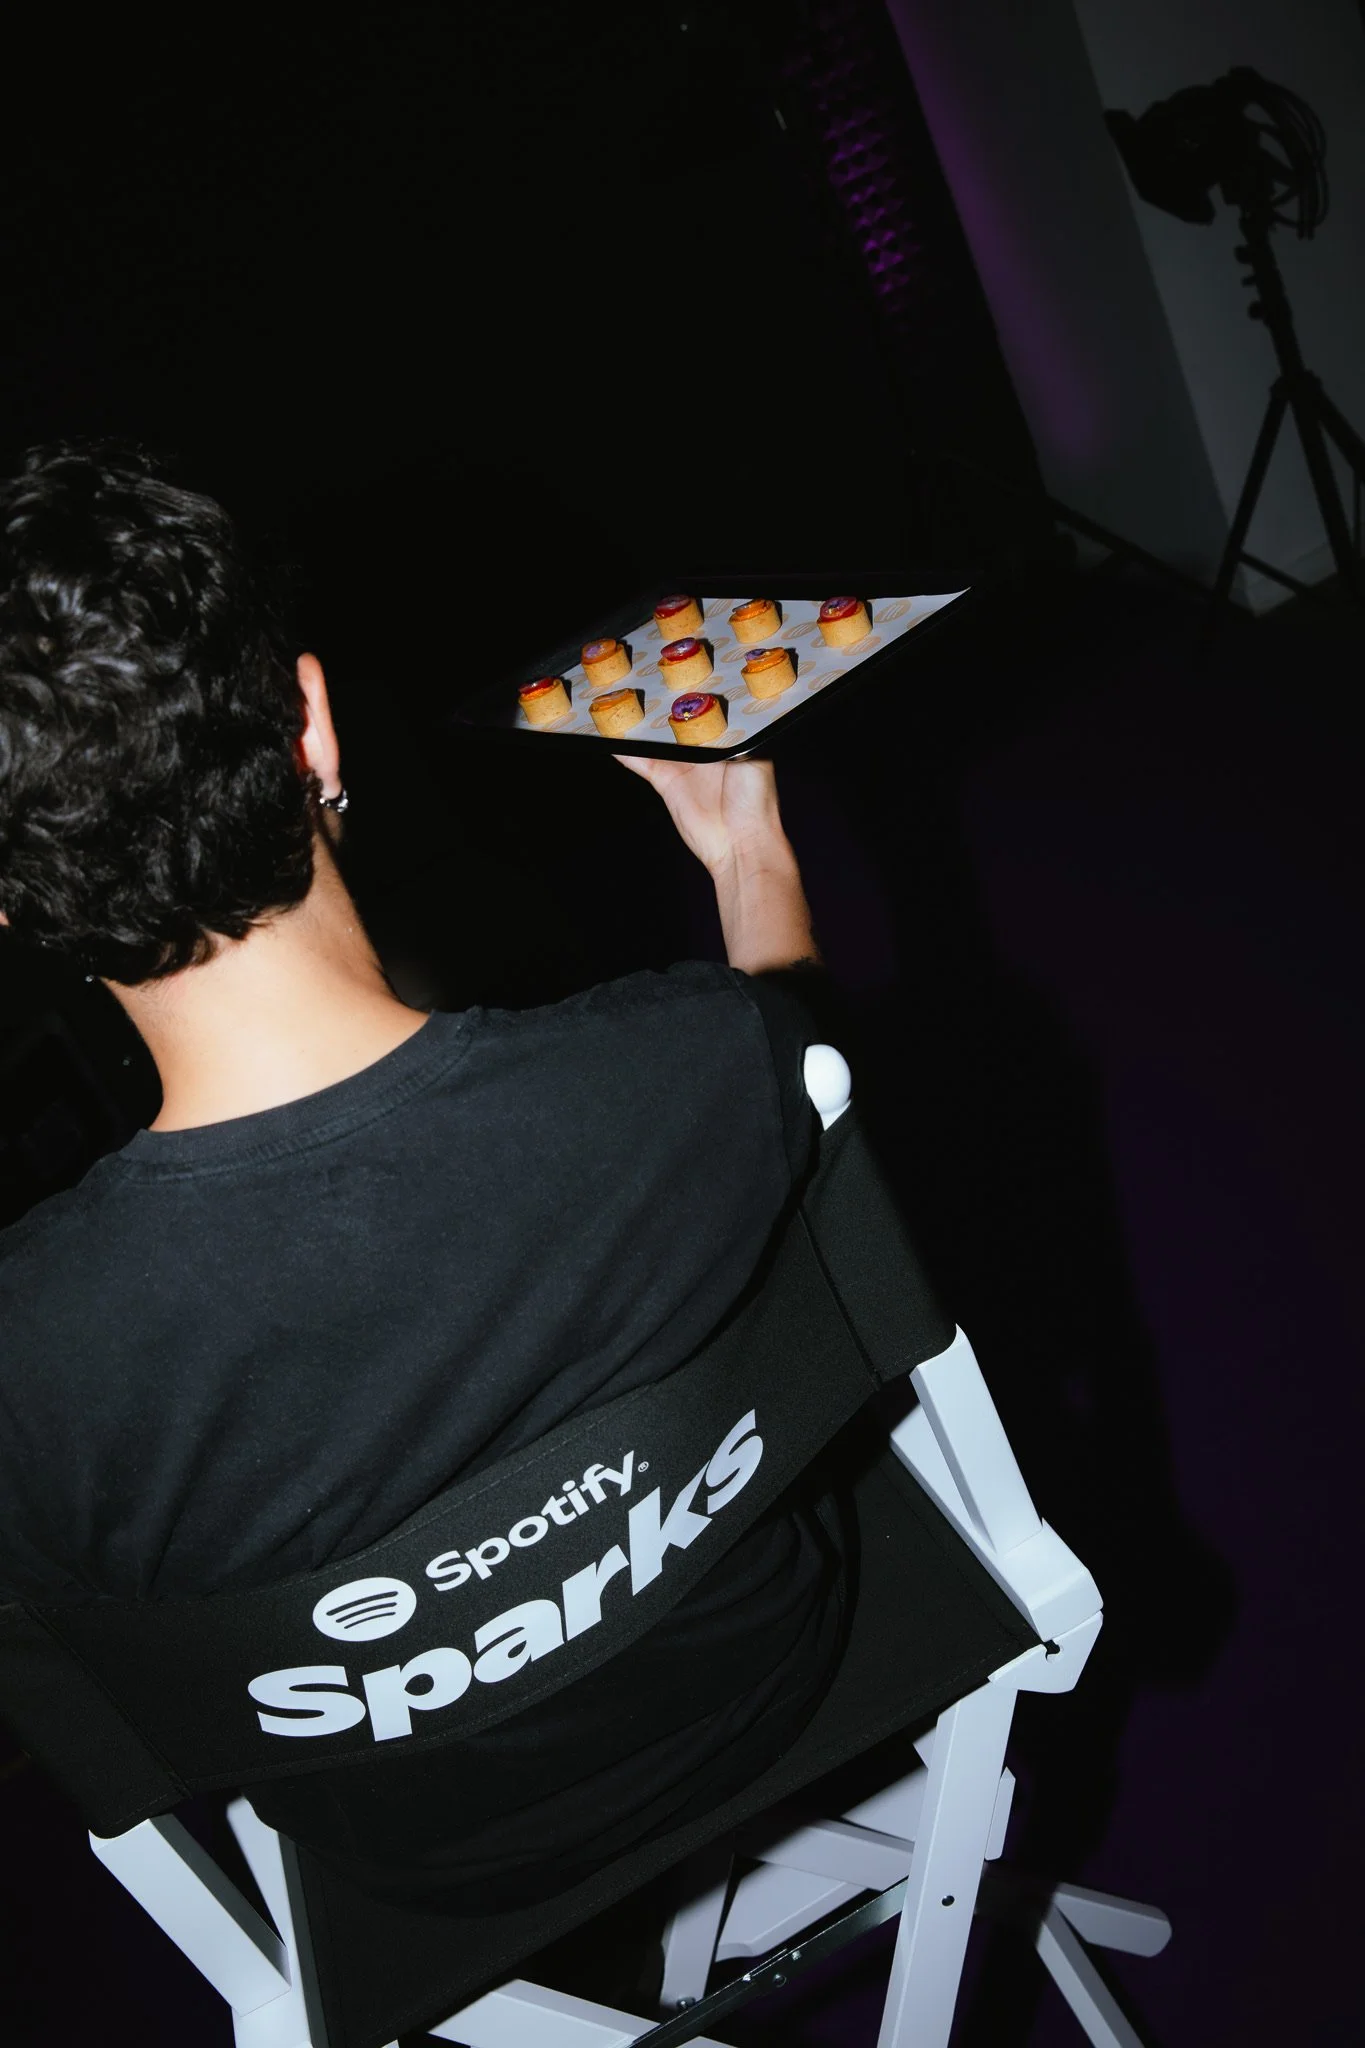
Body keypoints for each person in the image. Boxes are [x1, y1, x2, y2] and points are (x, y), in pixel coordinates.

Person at [0, 442, 846, 1910]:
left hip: (420, 1851)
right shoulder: (691, 1069)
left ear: (12, 897)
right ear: (312, 729)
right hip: (762, 1675)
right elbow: (814, 1089)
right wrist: (746, 848)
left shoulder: (26, 1363)